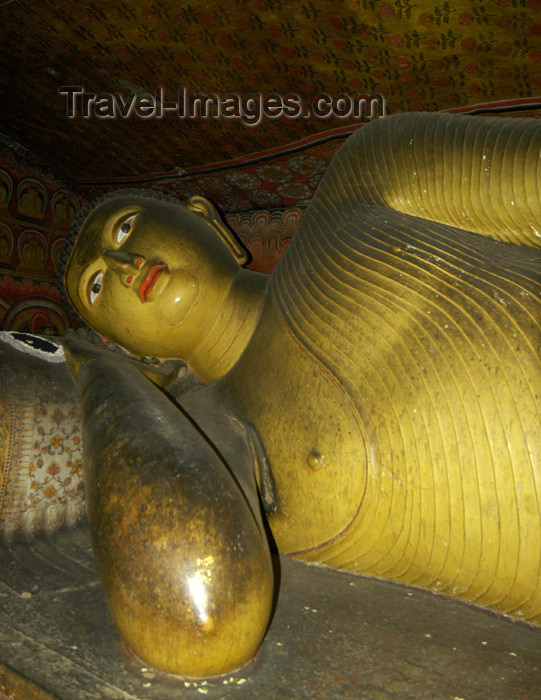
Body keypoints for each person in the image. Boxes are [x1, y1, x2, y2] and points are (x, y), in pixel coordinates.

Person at [60, 111, 541, 679]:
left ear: (207, 221)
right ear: (130, 350)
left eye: (126, 227)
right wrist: (101, 375)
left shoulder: (369, 171)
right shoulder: (217, 440)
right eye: (96, 286)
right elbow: (199, 624)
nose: (123, 264)